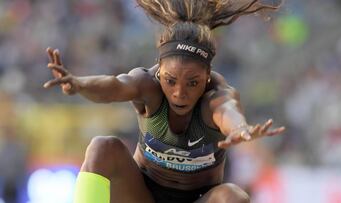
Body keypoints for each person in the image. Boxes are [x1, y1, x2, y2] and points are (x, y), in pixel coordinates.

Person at [43, 1, 284, 202]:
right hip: (141, 196)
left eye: (193, 83)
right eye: (170, 81)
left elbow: (228, 112)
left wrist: (241, 130)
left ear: (207, 77)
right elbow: (114, 86)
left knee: (234, 196)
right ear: (159, 73)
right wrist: (79, 84)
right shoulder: (147, 85)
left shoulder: (217, 95)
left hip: (197, 199)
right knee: (102, 147)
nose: (180, 93)